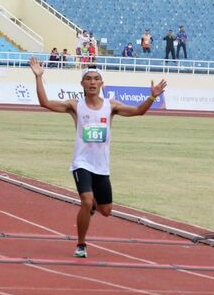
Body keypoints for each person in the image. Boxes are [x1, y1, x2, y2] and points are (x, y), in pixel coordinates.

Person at [28, 57, 167, 258]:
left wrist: (152, 97)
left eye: (96, 79)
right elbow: (45, 103)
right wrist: (39, 77)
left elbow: (138, 111)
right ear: (82, 84)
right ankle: (81, 244)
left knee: (106, 210)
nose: (92, 82)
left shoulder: (111, 106)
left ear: (101, 83)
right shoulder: (75, 105)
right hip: (81, 163)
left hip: (101, 167)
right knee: (85, 200)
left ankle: (94, 206)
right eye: (89, 79)